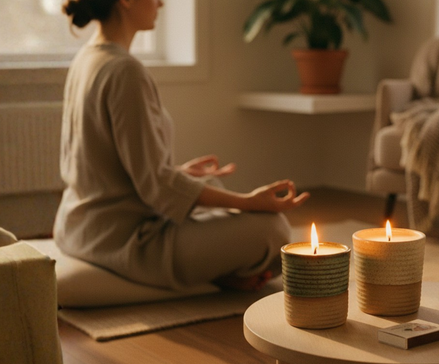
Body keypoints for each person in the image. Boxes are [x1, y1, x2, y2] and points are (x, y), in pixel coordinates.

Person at [54, 0, 310, 292]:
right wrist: (248, 201)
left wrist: (178, 172)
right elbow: (158, 187)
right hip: (125, 240)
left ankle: (219, 271)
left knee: (210, 184)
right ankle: (219, 272)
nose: (162, 3)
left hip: (79, 227)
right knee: (274, 229)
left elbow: (100, 162)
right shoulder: (124, 70)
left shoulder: (87, 58)